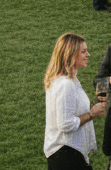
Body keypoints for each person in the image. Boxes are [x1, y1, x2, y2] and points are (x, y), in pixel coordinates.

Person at [44, 32, 106, 170]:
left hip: (68, 154)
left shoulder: (70, 80)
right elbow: (65, 124)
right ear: (70, 55)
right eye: (83, 51)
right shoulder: (65, 84)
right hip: (66, 156)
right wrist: (91, 114)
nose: (88, 55)